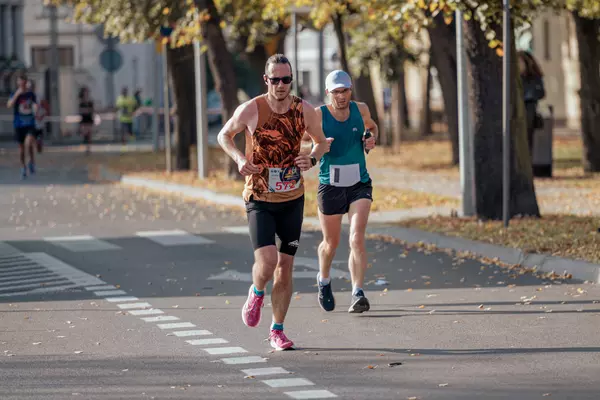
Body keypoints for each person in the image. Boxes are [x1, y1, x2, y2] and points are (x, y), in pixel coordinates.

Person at [217, 54, 329, 351]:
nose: (281, 85)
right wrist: (239, 158)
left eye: (286, 79)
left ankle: (277, 330)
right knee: (267, 261)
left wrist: (312, 158)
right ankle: (256, 292)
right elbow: (224, 135)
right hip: (260, 196)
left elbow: (321, 142)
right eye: (275, 79)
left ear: (291, 80)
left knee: (286, 265)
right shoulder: (251, 109)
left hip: (292, 197)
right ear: (266, 80)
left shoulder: (304, 110)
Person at [312, 70, 378, 314]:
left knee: (356, 238)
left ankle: (357, 292)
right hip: (330, 185)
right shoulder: (318, 115)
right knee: (331, 243)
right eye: (336, 92)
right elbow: (303, 145)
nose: (341, 96)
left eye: (345, 91)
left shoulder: (361, 109)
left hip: (359, 183)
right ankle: (324, 280)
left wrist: (370, 140)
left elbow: (372, 128)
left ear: (351, 90)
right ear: (327, 92)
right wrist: (319, 147)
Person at [7, 72, 39, 179]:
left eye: (23, 82)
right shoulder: (15, 93)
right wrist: (17, 94)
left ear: (26, 82)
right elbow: (9, 105)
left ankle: (31, 162)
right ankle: (23, 167)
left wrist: (36, 108)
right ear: (17, 83)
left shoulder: (30, 94)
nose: (22, 84)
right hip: (19, 124)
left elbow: (35, 104)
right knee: (21, 149)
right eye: (20, 82)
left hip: (29, 123)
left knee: (28, 143)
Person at [518, 51, 545, 159]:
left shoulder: (533, 78)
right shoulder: (514, 79)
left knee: (527, 138)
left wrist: (527, 96)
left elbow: (540, 93)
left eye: (520, 62)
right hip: (517, 112)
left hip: (529, 111)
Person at [79, 86, 94, 155]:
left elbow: (91, 110)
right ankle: (86, 144)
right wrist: (87, 110)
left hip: (89, 119)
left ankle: (88, 148)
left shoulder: (90, 102)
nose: (86, 93)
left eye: (87, 92)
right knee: (85, 132)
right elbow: (81, 110)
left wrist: (87, 110)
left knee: (89, 134)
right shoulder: (81, 102)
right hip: (84, 119)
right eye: (85, 92)